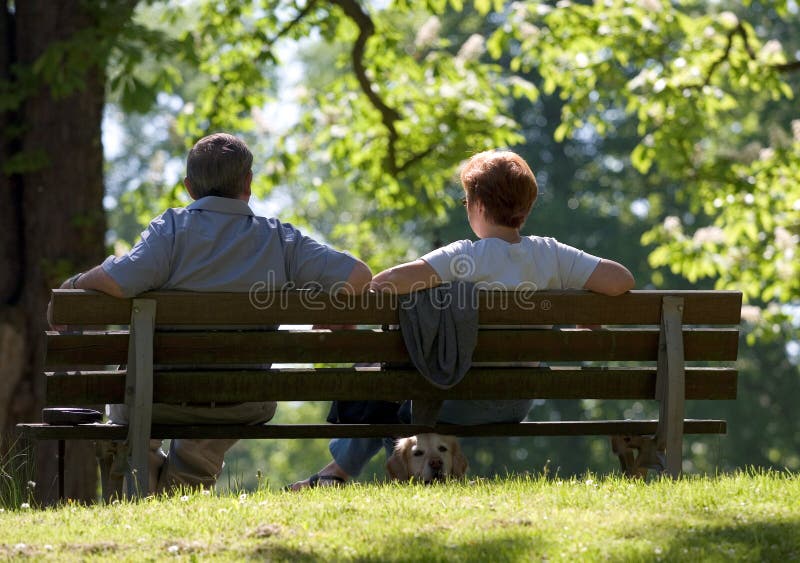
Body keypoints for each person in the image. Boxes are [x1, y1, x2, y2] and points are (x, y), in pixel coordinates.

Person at [287, 149, 634, 489]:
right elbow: (621, 280)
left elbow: (388, 282)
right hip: (518, 399)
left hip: (461, 401)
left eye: (467, 202)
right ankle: (342, 473)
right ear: (526, 209)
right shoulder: (552, 254)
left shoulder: (466, 256)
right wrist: (583, 316)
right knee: (387, 386)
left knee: (383, 384)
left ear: (479, 206)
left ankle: (342, 474)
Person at [52, 132, 372, 493]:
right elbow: (359, 276)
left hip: (158, 398)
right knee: (194, 453)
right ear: (248, 181)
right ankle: (188, 476)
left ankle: (141, 479)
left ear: (189, 187)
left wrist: (75, 283)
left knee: (129, 414)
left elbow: (117, 281)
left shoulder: (170, 231)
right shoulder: (280, 240)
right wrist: (329, 305)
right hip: (242, 400)